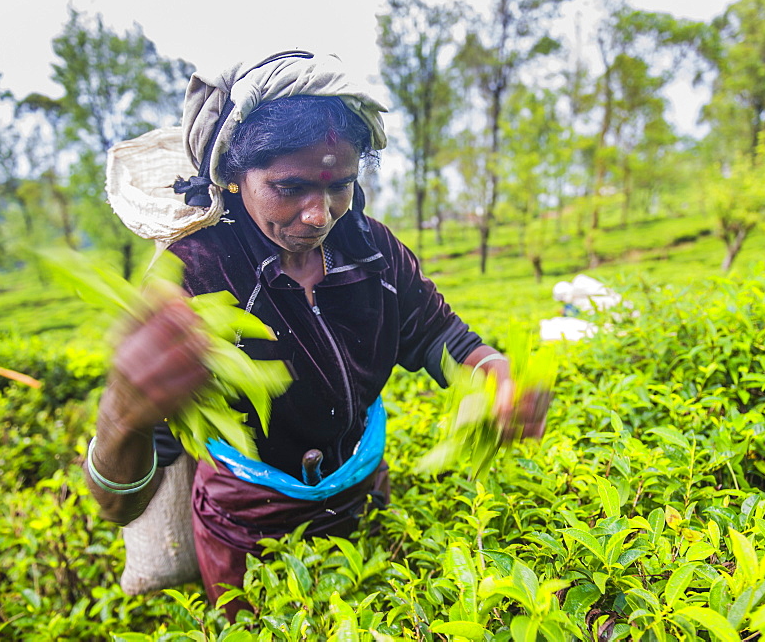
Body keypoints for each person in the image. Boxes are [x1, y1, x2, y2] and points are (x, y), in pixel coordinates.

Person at [84, 50, 551, 615]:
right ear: (233, 177)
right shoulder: (195, 277)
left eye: (341, 186)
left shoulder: (373, 249)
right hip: (249, 533)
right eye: (289, 187)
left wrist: (494, 373)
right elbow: (118, 503)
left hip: (361, 503)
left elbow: (438, 335)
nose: (319, 214)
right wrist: (121, 413)